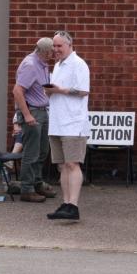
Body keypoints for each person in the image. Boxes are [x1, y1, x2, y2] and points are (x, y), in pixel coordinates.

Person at [44, 31, 90, 221]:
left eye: (59, 46)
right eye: (54, 46)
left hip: (73, 122)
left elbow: (83, 91)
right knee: (62, 165)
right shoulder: (58, 65)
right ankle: (65, 203)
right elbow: (57, 91)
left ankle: (74, 205)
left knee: (73, 163)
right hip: (57, 122)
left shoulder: (78, 64)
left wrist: (59, 90)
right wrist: (49, 92)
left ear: (69, 45)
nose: (56, 50)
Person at [12, 36, 57, 203]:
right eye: (52, 51)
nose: (54, 54)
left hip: (42, 111)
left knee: (43, 150)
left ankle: (37, 183)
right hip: (32, 112)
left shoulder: (42, 64)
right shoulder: (30, 65)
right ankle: (27, 189)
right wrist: (27, 115)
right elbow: (17, 91)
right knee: (31, 152)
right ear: (44, 52)